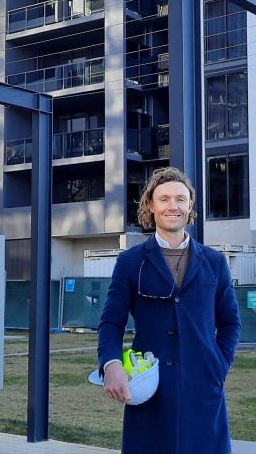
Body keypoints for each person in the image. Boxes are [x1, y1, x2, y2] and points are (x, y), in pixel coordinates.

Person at [97, 166, 242, 453]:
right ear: (150, 205)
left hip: (204, 388)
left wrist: (219, 365)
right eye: (163, 199)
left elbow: (231, 323)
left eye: (180, 199)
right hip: (151, 390)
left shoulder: (214, 262)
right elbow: (111, 322)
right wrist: (111, 364)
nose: (172, 206)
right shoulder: (130, 262)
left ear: (190, 206)